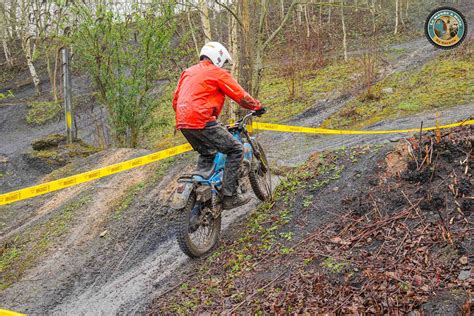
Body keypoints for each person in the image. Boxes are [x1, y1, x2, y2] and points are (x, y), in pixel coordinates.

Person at [172, 42, 263, 210]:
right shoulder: (216, 72)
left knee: (207, 151)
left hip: (183, 121)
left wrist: (188, 116)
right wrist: (256, 106)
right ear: (218, 58)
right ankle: (230, 196)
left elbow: (176, 100)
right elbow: (240, 95)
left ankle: (201, 187)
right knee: (236, 149)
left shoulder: (187, 72)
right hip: (202, 120)